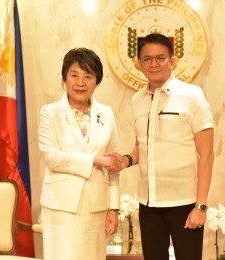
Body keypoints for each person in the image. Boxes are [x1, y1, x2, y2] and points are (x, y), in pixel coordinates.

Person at [113, 33, 214, 260]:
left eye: (160, 58)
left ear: (172, 60)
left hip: (184, 203)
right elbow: (142, 145)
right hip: (149, 204)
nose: (153, 64)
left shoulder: (192, 96)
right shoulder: (137, 100)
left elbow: (206, 154)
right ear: (140, 63)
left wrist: (201, 206)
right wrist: (126, 160)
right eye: (147, 59)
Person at [38, 47, 120, 260]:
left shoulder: (106, 113)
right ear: (65, 78)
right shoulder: (50, 113)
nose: (80, 83)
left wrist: (114, 208)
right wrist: (94, 159)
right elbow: (53, 158)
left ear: (97, 80)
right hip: (61, 207)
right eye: (74, 75)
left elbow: (113, 164)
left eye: (88, 76)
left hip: (97, 208)